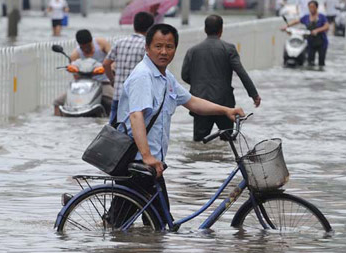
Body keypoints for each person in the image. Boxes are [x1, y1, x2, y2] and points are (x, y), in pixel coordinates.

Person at [115, 23, 245, 221]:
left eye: (169, 47)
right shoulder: (143, 76)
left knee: (152, 226)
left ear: (175, 49)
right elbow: (136, 116)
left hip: (152, 165)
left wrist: (226, 110)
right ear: (147, 48)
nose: (164, 52)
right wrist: (147, 156)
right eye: (158, 46)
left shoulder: (166, 78)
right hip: (138, 164)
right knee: (132, 224)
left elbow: (192, 102)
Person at [181, 15, 261, 142]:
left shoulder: (192, 51)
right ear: (221, 30)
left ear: (205, 29)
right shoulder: (229, 49)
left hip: (199, 103)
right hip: (224, 103)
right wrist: (254, 94)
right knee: (228, 142)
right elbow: (241, 72)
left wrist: (199, 84)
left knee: (199, 143)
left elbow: (184, 75)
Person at [103, 11, 154, 125]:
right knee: (135, 130)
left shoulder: (120, 42)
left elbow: (106, 64)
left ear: (134, 25)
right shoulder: (147, 46)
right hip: (136, 98)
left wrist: (112, 80)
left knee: (113, 130)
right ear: (150, 28)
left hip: (118, 95)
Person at [53, 29, 113, 116]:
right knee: (57, 102)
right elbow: (75, 75)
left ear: (91, 41)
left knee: (116, 100)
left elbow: (114, 59)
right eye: (83, 47)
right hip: (84, 85)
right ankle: (59, 121)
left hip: (104, 82)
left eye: (88, 46)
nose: (86, 49)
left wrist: (111, 69)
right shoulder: (75, 55)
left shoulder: (101, 44)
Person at [282, 0, 329, 67]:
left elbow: (327, 26)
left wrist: (317, 30)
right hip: (310, 41)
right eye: (310, 7)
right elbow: (297, 21)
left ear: (317, 7)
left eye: (313, 7)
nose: (311, 9)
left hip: (321, 42)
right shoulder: (306, 17)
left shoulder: (321, 17)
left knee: (321, 61)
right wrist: (286, 26)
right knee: (310, 61)